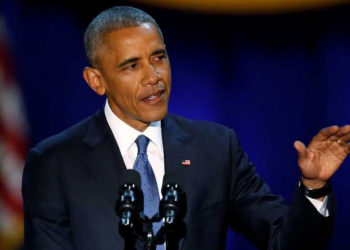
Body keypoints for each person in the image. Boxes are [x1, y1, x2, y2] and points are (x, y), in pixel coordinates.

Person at [22, 6, 350, 250]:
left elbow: (284, 241)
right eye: (132, 65)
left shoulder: (216, 148)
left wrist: (314, 186)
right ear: (96, 81)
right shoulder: (54, 163)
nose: (154, 76)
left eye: (159, 57)